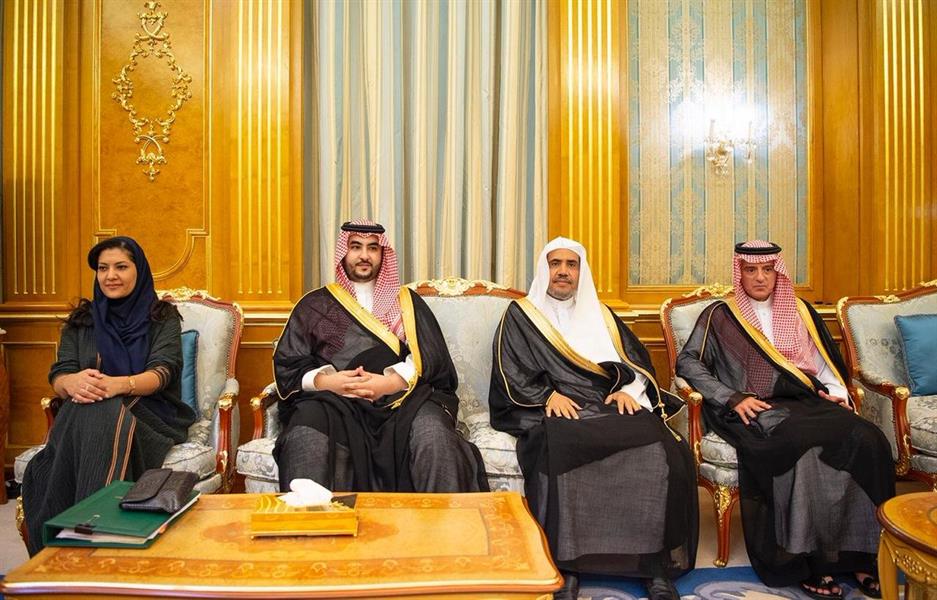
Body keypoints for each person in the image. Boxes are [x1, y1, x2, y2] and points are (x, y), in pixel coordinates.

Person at [676, 240, 894, 599]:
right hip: (756, 407)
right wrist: (731, 397)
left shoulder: (800, 310)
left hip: (807, 400)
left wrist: (834, 391)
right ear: (740, 273)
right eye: (751, 270)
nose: (760, 277)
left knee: (868, 438)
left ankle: (862, 555)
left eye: (767, 270)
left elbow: (822, 362)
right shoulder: (721, 314)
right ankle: (808, 560)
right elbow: (688, 363)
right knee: (798, 445)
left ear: (778, 272)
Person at [488, 237, 697, 600]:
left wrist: (629, 390)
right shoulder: (521, 315)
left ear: (581, 271)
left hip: (608, 403)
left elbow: (636, 362)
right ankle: (568, 565)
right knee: (563, 445)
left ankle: (653, 565)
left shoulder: (603, 315)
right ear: (544, 269)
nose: (563, 271)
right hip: (556, 408)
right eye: (555, 263)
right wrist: (547, 396)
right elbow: (511, 369)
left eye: (571, 264)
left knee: (661, 446)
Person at [272, 219, 487, 493]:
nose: (364, 255)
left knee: (433, 435)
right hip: (334, 402)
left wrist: (390, 383)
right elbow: (289, 364)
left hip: (404, 400)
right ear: (343, 252)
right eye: (356, 247)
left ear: (383, 253)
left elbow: (432, 358)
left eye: (372, 248)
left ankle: (436, 521)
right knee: (306, 435)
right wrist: (329, 382)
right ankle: (313, 520)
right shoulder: (316, 305)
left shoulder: (406, 302)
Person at [21, 237, 195, 555]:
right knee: (93, 408)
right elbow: (60, 373)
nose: (110, 275)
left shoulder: (161, 316)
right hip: (84, 411)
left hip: (149, 415)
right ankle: (91, 531)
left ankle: (74, 538)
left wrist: (119, 385)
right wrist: (72, 382)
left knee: (99, 409)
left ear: (139, 270)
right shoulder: (83, 320)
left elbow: (163, 373)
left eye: (121, 267)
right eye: (103, 268)